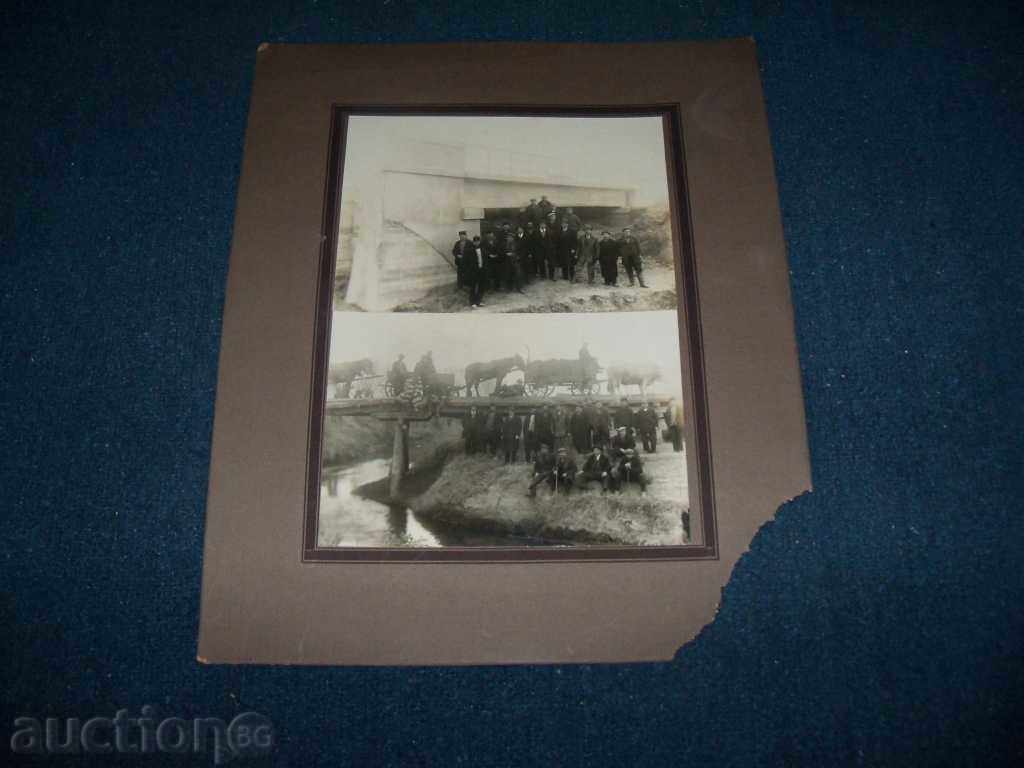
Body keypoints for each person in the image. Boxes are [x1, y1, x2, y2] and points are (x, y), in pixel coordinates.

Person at [465, 235, 486, 308]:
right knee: (473, 286)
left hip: (481, 270)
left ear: (479, 242)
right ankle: (472, 302)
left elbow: (485, 259)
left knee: (481, 286)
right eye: (475, 241)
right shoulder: (469, 250)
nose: (477, 243)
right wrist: (469, 270)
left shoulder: (482, 249)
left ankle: (479, 301)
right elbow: (466, 262)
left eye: (478, 241)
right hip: (473, 271)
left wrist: (484, 268)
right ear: (473, 242)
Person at [504, 226, 524, 293]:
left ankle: (519, 288)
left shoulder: (517, 244)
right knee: (508, 275)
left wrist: (515, 255)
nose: (509, 238)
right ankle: (509, 288)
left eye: (511, 237)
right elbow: (501, 252)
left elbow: (520, 252)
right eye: (508, 237)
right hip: (507, 262)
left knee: (518, 274)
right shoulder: (504, 245)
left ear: (513, 238)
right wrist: (506, 254)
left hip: (515, 261)